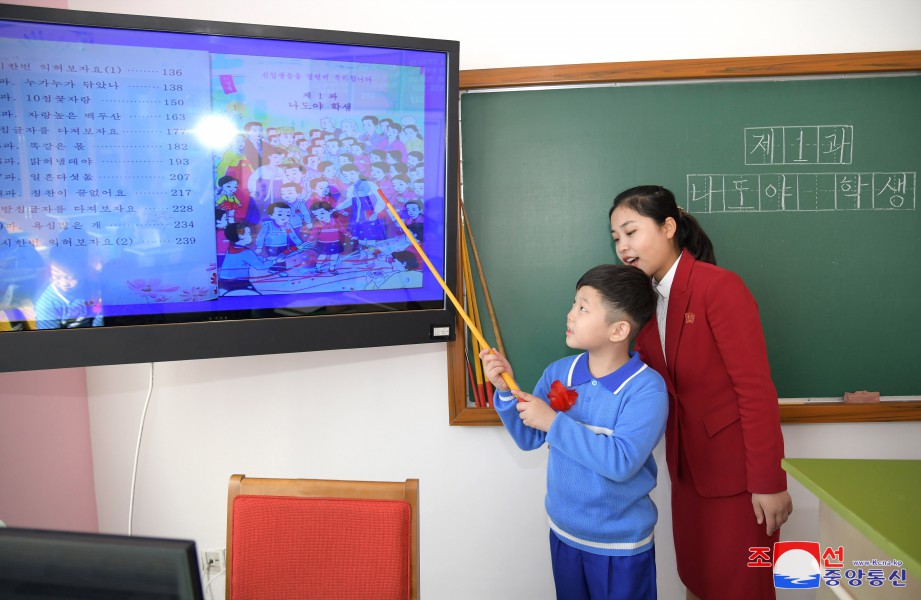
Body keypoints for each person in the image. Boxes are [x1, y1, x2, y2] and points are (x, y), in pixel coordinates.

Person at [608, 185, 792, 600]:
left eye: (631, 232)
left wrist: (769, 481)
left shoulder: (718, 288)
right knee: (698, 580)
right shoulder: (645, 303)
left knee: (741, 588)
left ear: (669, 226)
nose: (623, 246)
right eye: (616, 237)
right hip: (687, 474)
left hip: (739, 482)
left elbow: (756, 390)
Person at [480, 264, 667, 600]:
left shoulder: (646, 389)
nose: (570, 314)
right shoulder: (559, 372)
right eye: (573, 304)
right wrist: (505, 391)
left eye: (583, 308)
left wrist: (554, 422)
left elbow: (621, 462)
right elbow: (528, 437)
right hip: (565, 534)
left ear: (619, 330)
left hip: (621, 546)